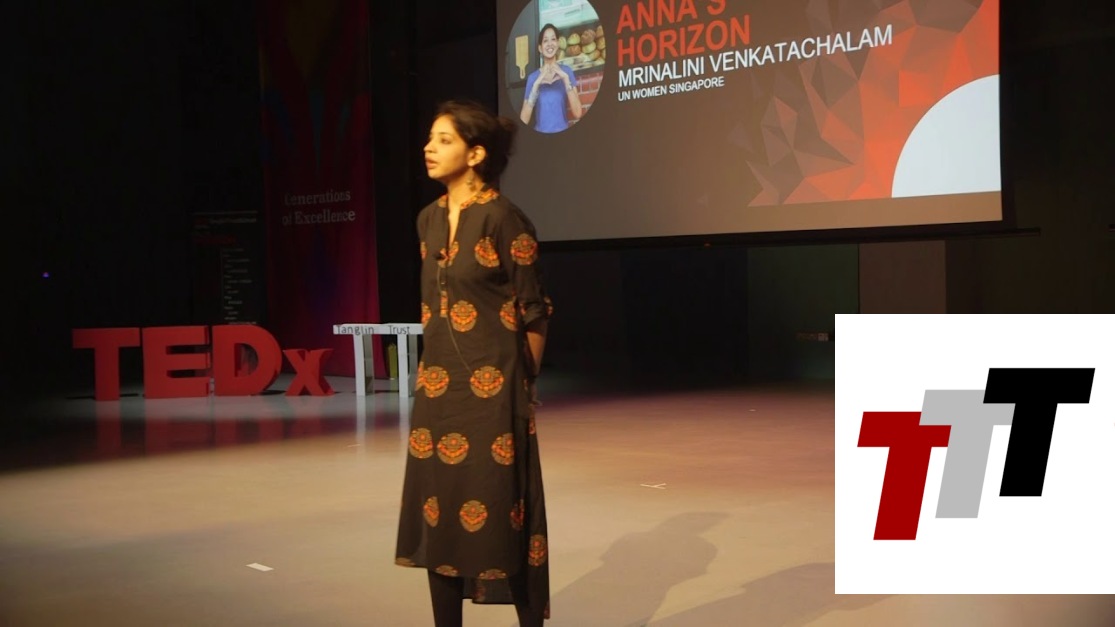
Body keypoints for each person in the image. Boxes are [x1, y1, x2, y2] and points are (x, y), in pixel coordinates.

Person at [396, 99, 553, 627]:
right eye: (430, 138)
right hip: (438, 391)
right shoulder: (427, 219)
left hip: (495, 392)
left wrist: (525, 384)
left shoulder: (504, 218)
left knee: (504, 510)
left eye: (443, 140)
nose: (429, 148)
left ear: (476, 153)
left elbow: (534, 310)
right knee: (439, 511)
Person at [519, 24, 583, 133]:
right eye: (545, 40)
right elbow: (523, 120)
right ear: (540, 48)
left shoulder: (567, 72)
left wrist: (566, 80)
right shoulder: (533, 78)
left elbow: (578, 113)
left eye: (553, 39)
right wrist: (535, 86)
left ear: (557, 44)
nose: (550, 44)